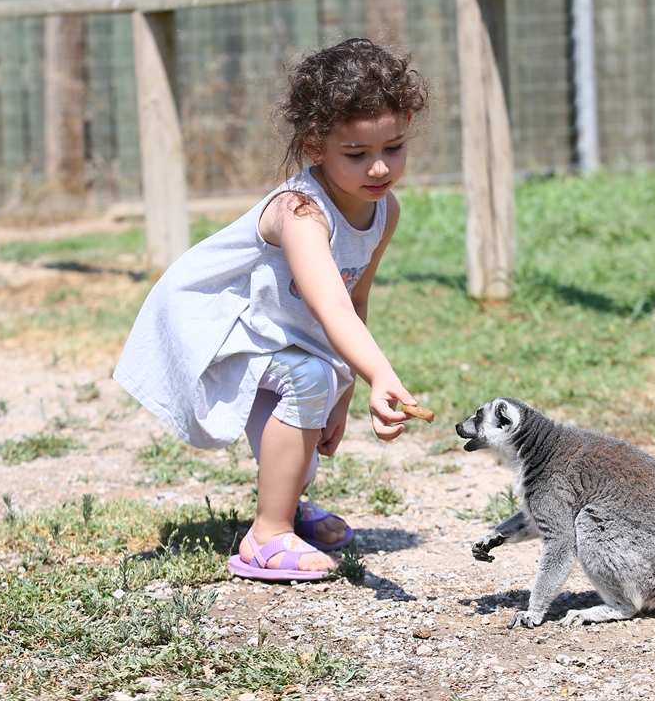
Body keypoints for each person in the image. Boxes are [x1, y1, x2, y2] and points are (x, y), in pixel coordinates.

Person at [114, 38, 430, 581]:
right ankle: (266, 536)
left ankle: (290, 502)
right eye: (356, 154)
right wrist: (377, 372)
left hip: (272, 333)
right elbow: (328, 300)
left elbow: (354, 299)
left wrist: (349, 381)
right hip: (217, 324)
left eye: (394, 147)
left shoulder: (384, 211)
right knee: (308, 377)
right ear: (315, 146)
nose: (379, 168)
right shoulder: (300, 211)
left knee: (313, 396)